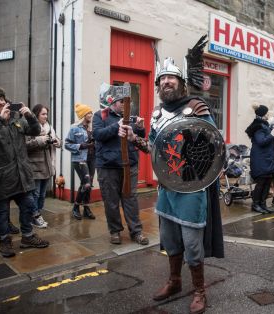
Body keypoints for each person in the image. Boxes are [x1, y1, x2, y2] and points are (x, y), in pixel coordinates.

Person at [119, 56, 224, 314]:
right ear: (158, 85)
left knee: (192, 243)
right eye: (162, 79)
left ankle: (200, 291)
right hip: (166, 186)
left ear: (181, 83)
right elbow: (155, 149)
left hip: (191, 185)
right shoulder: (157, 113)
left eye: (171, 78)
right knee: (169, 238)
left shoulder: (197, 107)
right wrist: (134, 138)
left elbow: (214, 144)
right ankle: (175, 281)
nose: (166, 81)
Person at [0, 85, 49, 257]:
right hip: (1, 176)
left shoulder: (16, 117)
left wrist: (30, 116)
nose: (0, 102)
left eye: (2, 98)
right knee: (2, 213)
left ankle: (28, 236)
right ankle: (5, 241)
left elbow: (36, 131)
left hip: (22, 174)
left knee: (28, 206)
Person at [93, 86, 149, 245]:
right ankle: (115, 231)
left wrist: (140, 128)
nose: (126, 105)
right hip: (107, 166)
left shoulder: (131, 117)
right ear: (113, 102)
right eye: (122, 102)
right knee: (111, 201)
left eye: (127, 102)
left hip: (129, 165)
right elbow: (97, 135)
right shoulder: (100, 116)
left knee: (131, 199)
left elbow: (139, 138)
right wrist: (116, 125)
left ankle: (136, 231)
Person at [26, 104, 62, 228]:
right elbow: (25, 146)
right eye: (43, 114)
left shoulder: (49, 127)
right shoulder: (30, 127)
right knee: (35, 194)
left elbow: (58, 141)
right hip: (35, 166)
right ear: (36, 114)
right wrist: (40, 140)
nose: (46, 116)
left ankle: (38, 214)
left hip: (48, 166)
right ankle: (34, 216)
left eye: (46, 114)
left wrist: (57, 141)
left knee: (42, 194)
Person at [65, 103, 96, 220]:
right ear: (83, 115)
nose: (91, 114)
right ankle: (76, 207)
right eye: (88, 113)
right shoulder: (74, 128)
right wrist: (80, 146)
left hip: (92, 159)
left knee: (88, 184)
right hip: (79, 159)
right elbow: (67, 144)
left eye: (91, 112)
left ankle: (86, 208)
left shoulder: (92, 127)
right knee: (86, 184)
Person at [245, 104, 274, 213]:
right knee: (261, 182)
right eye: (267, 112)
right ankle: (256, 204)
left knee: (267, 181)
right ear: (263, 114)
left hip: (267, 158)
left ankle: (263, 204)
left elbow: (268, 140)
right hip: (261, 159)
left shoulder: (264, 125)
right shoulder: (258, 126)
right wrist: (272, 134)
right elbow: (261, 141)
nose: (268, 114)